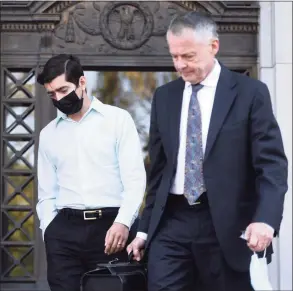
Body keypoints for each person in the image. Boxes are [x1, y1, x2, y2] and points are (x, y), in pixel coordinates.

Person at [127, 11, 288, 291]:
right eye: (174, 56)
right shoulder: (164, 98)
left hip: (227, 225)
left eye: (188, 56)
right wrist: (144, 228)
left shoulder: (250, 93)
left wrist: (265, 219)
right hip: (172, 222)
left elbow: (271, 165)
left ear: (213, 46)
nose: (180, 65)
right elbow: (159, 172)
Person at [36, 54, 146, 291]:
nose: (58, 98)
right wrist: (50, 231)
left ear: (82, 83)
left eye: (63, 90)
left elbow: (135, 180)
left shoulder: (118, 120)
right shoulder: (48, 135)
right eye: (52, 94)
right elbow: (46, 192)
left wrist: (123, 223)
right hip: (64, 232)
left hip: (112, 230)